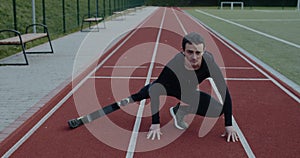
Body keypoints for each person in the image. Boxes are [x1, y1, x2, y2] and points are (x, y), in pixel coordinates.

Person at [119, 32, 238, 142]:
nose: (194, 57)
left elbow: (224, 93)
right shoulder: (175, 64)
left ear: (204, 51)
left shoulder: (209, 64)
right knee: (145, 93)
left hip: (188, 93)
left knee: (218, 110)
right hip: (170, 87)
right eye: (190, 52)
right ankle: (129, 99)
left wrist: (229, 125)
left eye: (198, 53)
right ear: (183, 51)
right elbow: (156, 90)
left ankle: (180, 111)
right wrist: (156, 123)